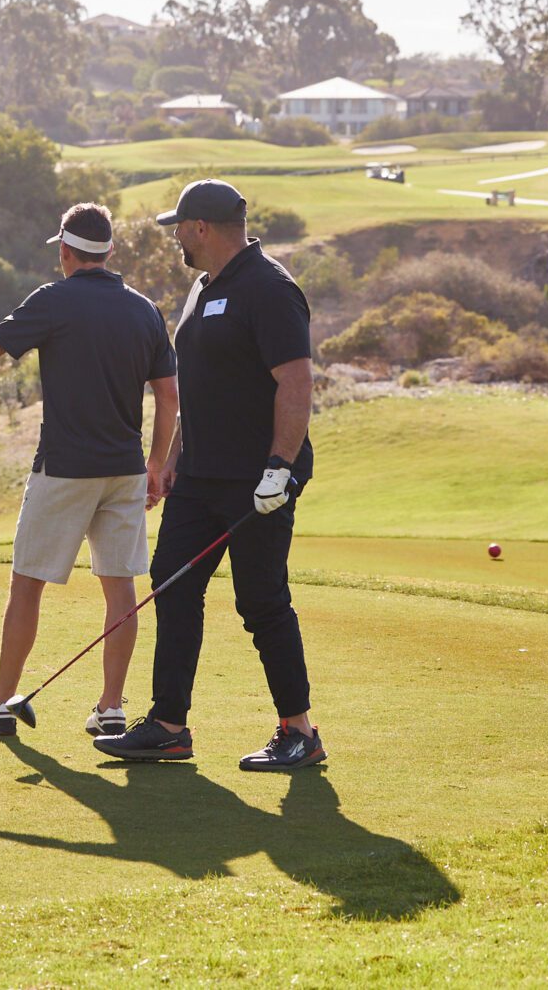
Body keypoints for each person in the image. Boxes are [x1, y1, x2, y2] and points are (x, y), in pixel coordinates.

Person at [0, 203, 178, 740]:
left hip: (64, 469)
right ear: (109, 251)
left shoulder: (53, 300)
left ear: (66, 252)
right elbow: (169, 396)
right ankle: (111, 708)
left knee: (26, 586)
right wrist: (156, 463)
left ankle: (0, 706)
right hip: (125, 471)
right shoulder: (145, 310)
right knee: (121, 590)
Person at [94, 179, 324, 772]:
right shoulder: (204, 288)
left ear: (201, 228)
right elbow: (203, 387)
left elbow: (296, 383)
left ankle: (299, 732)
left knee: (261, 600)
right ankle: (169, 726)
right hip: (199, 477)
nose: (175, 238)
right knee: (172, 585)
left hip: (256, 482)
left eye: (179, 228)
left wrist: (280, 467)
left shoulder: (270, 289)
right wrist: (174, 458)